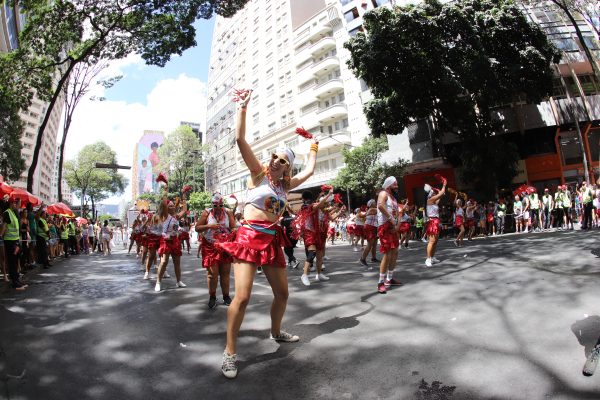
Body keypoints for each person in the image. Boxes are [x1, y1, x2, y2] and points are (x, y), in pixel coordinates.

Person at [215, 89, 318, 379]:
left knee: (282, 294)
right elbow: (239, 139)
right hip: (248, 237)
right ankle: (230, 352)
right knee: (243, 297)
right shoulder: (258, 174)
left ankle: (275, 332)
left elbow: (309, 171)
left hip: (272, 241)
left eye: (282, 160)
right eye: (274, 156)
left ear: (288, 168)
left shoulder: (285, 187)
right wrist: (243, 108)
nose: (275, 161)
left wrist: (313, 147)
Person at [196, 193, 235, 309]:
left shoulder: (228, 212)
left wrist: (232, 232)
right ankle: (212, 296)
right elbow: (197, 228)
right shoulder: (207, 212)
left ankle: (226, 296)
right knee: (213, 274)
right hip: (210, 246)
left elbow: (233, 227)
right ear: (212, 204)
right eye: (215, 205)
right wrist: (209, 226)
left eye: (220, 205)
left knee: (225, 273)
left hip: (224, 246)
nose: (218, 208)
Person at [298, 189, 334, 286]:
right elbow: (317, 205)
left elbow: (321, 206)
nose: (326, 205)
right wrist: (328, 195)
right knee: (312, 252)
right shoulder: (306, 206)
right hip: (309, 232)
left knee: (319, 255)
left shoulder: (313, 205)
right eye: (325, 203)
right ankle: (304, 275)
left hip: (316, 232)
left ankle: (319, 274)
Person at [154, 197, 188, 292]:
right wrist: (166, 190)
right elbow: (163, 205)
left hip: (175, 241)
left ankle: (179, 281)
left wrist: (184, 197)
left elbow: (184, 210)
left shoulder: (176, 217)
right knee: (164, 262)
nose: (173, 207)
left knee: (177, 262)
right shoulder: (165, 216)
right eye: (170, 206)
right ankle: (158, 282)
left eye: (173, 206)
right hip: (165, 241)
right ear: (166, 208)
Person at [376, 176, 402, 294]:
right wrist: (391, 219)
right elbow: (380, 205)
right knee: (387, 254)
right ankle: (380, 282)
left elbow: (397, 213)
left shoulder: (394, 198)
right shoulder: (383, 193)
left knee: (395, 253)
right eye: (395, 184)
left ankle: (389, 278)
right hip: (385, 227)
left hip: (392, 227)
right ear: (389, 185)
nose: (397, 186)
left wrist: (396, 225)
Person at [2, 198, 27, 291]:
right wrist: (1, 235)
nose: (15, 204)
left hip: (15, 241)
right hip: (9, 241)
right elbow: (4, 225)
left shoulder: (13, 212)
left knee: (16, 261)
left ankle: (17, 280)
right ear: (10, 204)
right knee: (12, 262)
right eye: (14, 203)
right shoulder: (7, 212)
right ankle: (15, 283)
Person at [424, 179, 447, 267]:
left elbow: (441, 196)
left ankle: (432, 257)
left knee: (435, 241)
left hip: (436, 221)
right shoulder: (429, 200)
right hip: (432, 221)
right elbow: (441, 194)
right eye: (433, 192)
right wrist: (444, 185)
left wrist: (439, 191)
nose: (434, 194)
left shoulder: (433, 202)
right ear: (430, 194)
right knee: (432, 241)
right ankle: (428, 259)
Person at [359, 199, 379, 268]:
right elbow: (362, 216)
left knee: (375, 244)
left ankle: (373, 258)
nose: (375, 203)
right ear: (371, 204)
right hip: (369, 227)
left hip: (374, 227)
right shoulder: (372, 209)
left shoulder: (373, 209)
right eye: (374, 202)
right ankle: (362, 259)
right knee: (370, 244)